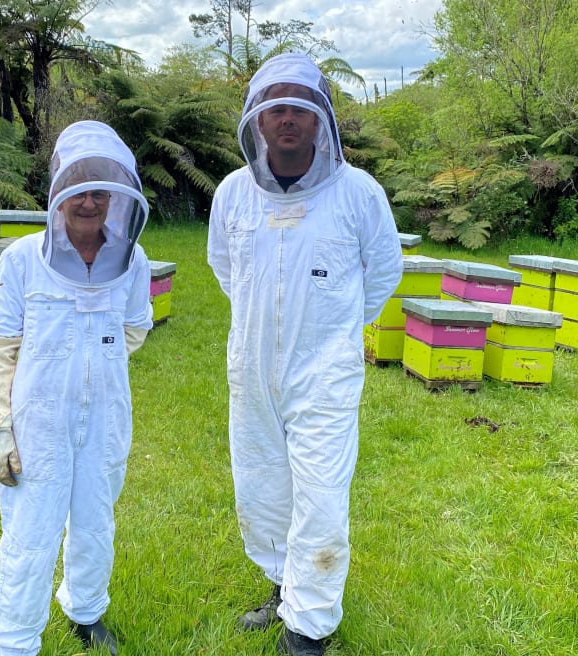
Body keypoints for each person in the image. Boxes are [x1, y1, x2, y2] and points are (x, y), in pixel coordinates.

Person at [207, 53, 404, 656]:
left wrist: (334, 330)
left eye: (299, 107)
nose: (287, 118)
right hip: (251, 372)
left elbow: (384, 272)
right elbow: (225, 271)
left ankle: (308, 628)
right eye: (275, 109)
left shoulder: (358, 193)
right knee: (262, 486)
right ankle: (281, 585)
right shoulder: (233, 195)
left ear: (322, 121)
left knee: (319, 495)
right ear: (257, 123)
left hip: (325, 376)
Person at [0, 120, 153, 656]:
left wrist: (92, 360)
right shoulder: (22, 260)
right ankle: (13, 642)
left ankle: (85, 610)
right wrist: (0, 426)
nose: (89, 201)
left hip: (105, 414)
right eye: (80, 189)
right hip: (39, 420)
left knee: (97, 520)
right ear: (60, 192)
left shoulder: (133, 260)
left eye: (101, 190)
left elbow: (134, 326)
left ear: (118, 196)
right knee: (31, 533)